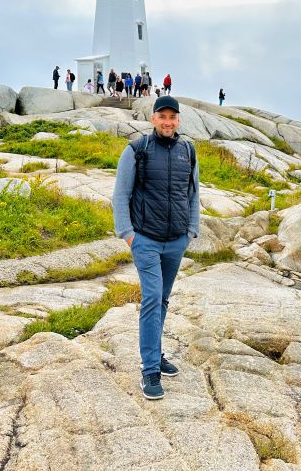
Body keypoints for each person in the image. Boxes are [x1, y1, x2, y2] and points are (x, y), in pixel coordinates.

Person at [113, 96, 199, 400]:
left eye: (172, 117)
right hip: (145, 239)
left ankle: (156, 353)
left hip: (176, 239)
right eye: (162, 117)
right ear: (152, 119)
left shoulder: (187, 150)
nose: (167, 122)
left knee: (162, 299)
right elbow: (120, 195)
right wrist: (128, 234)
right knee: (151, 297)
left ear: (178, 120)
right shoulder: (137, 150)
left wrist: (191, 232)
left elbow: (192, 194)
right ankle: (150, 368)